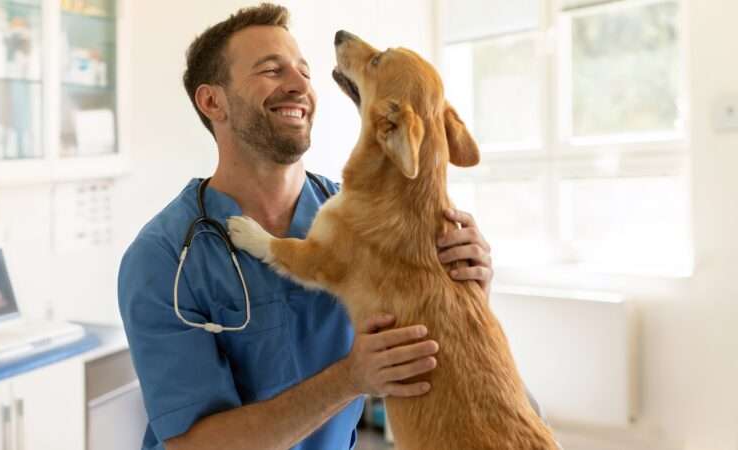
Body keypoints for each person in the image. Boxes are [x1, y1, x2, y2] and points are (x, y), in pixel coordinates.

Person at [118, 4, 495, 450]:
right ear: (212, 101)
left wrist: (464, 287)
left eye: (304, 71)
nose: (300, 86)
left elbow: (424, 351)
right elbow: (194, 445)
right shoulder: (163, 258)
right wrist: (349, 379)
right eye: (272, 71)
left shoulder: (371, 223)